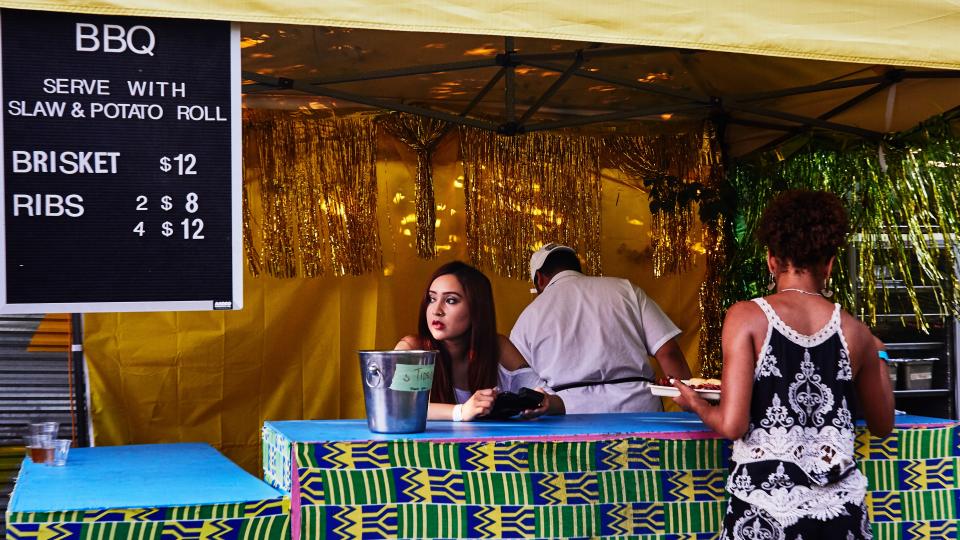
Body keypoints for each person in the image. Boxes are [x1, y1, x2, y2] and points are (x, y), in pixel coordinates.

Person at [673, 189, 893, 539]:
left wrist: (694, 402)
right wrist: (878, 355)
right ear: (831, 264)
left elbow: (732, 424)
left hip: (764, 514)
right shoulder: (857, 332)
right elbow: (883, 424)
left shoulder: (746, 317)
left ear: (771, 260)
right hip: (840, 516)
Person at [509, 243, 691, 413]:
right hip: (639, 411)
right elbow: (668, 353)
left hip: (570, 418)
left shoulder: (529, 315)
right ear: (577, 267)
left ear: (539, 279)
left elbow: (519, 378)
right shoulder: (626, 290)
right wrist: (692, 409)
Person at [396, 260, 565, 421]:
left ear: (477, 309)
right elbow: (398, 406)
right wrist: (461, 411)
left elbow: (558, 403)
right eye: (432, 299)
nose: (436, 310)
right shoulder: (412, 348)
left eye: (451, 300)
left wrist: (545, 402)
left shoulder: (497, 346)